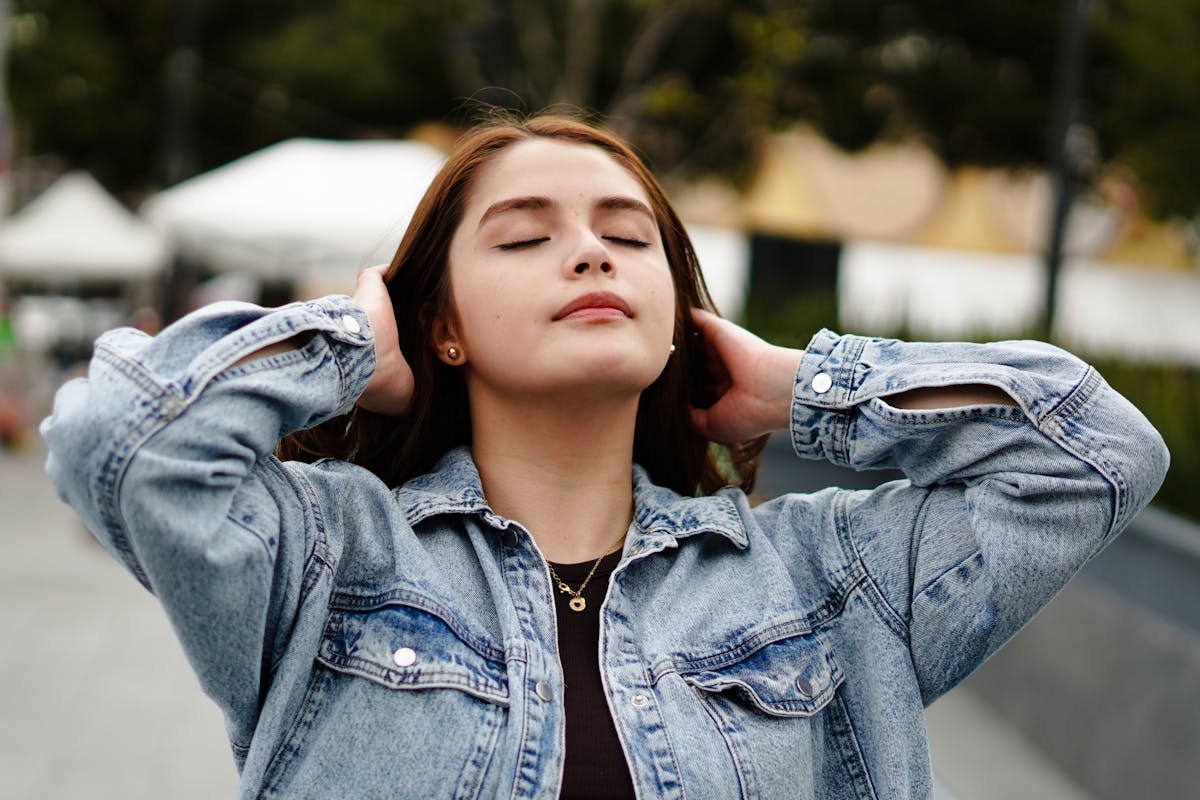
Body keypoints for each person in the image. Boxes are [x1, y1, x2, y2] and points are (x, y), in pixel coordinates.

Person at [42, 113, 1167, 800]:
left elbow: (1094, 453)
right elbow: (122, 435)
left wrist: (800, 389)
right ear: (443, 322)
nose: (587, 250)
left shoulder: (824, 581)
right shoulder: (329, 552)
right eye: (527, 236)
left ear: (676, 313)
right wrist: (348, 349)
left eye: (629, 238)